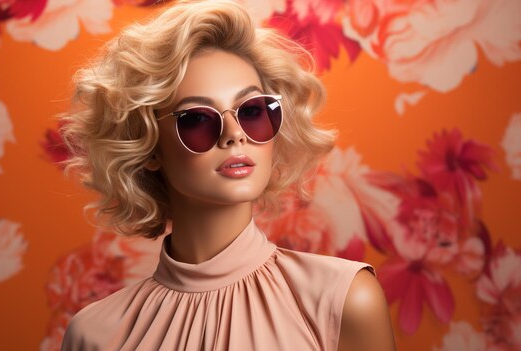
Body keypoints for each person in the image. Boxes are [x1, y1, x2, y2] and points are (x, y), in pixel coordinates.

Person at [60, 0, 396, 350]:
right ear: (149, 147)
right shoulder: (94, 334)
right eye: (197, 119)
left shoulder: (343, 301)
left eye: (251, 110)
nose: (234, 134)